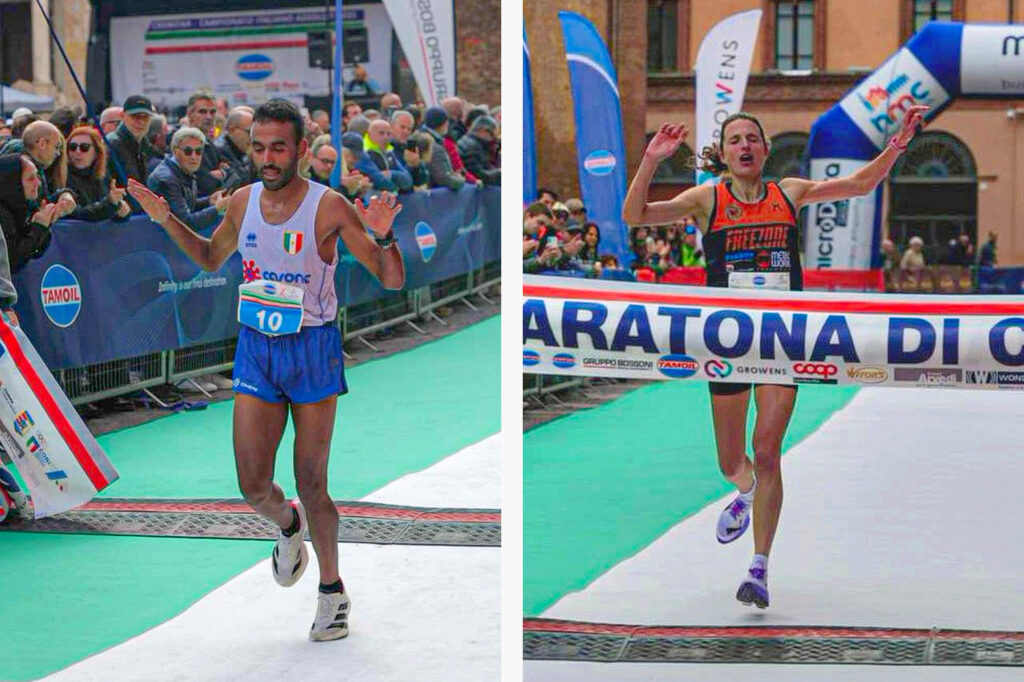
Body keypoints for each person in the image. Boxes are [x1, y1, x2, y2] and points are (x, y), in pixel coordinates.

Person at [622, 105, 929, 609]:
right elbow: (634, 216)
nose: (744, 146)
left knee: (766, 451)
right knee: (731, 462)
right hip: (726, 344)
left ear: (765, 150)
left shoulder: (790, 192)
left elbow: (860, 185)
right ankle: (743, 492)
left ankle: (759, 567)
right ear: (723, 154)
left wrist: (898, 142)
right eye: (735, 140)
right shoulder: (707, 198)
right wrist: (652, 161)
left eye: (752, 139)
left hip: (782, 341)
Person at [127, 98, 404, 642]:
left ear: (300, 149)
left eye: (279, 148)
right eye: (259, 148)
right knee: (253, 485)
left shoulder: (328, 206)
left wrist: (384, 235)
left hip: (311, 347)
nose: (268, 158)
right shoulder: (242, 200)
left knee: (312, 481)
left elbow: (390, 279)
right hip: (257, 345)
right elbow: (211, 257)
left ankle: (332, 592)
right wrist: (165, 219)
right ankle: (288, 524)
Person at [147, 127, 230, 232]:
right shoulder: (167, 180)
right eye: (188, 151)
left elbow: (186, 203)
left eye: (199, 151)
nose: (194, 157)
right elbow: (185, 225)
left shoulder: (183, 170)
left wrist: (208, 201)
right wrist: (216, 209)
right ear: (175, 152)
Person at [65, 125, 131, 222]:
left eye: (84, 147)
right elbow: (78, 214)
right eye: (72, 147)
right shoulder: (63, 177)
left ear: (97, 151)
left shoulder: (103, 177)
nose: (77, 152)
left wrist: (122, 210)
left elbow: (109, 213)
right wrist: (110, 203)